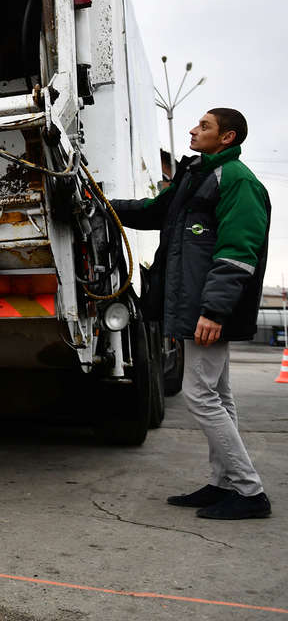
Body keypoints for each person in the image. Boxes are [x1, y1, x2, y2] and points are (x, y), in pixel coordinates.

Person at [111, 107, 271, 520]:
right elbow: (151, 211)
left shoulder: (236, 181)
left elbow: (238, 252)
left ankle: (250, 491)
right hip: (197, 305)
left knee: (200, 396)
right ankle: (224, 483)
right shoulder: (195, 178)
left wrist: (214, 311)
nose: (193, 130)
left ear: (228, 138)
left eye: (204, 126)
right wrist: (102, 204)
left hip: (209, 309)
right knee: (218, 395)